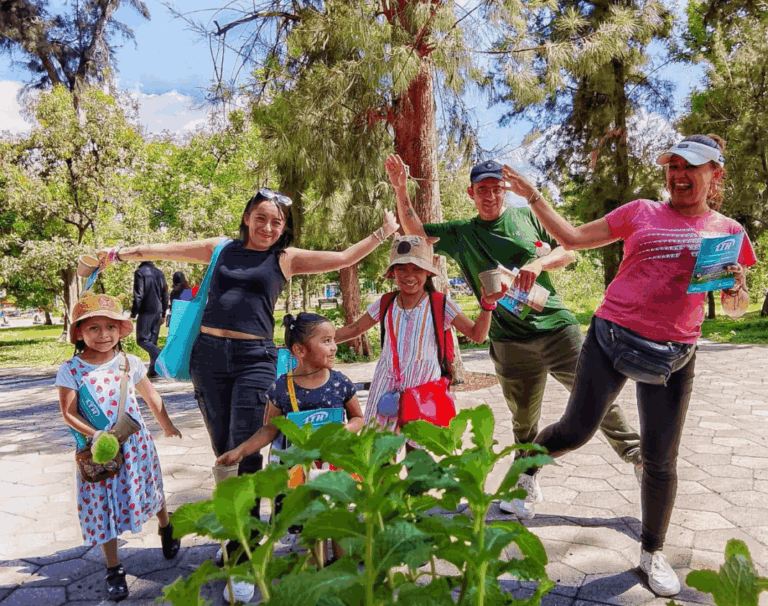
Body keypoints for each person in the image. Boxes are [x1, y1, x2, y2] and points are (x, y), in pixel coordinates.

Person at [97, 188, 398, 604]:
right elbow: (166, 250)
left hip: (254, 358)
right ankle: (241, 533)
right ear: (247, 218)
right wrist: (121, 252)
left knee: (248, 452)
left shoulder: (285, 258)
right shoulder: (220, 249)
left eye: (276, 222)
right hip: (209, 358)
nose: (269, 227)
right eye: (261, 218)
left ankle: (244, 559)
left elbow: (344, 257)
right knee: (225, 454)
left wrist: (382, 234)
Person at [503, 134, 756, 596]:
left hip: (674, 353)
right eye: (672, 165)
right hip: (611, 336)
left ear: (715, 173)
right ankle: (526, 473)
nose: (679, 174)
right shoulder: (641, 211)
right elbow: (574, 238)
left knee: (660, 460)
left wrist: (737, 290)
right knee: (576, 430)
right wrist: (533, 196)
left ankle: (651, 553)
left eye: (691, 166)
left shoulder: (728, 232)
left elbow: (735, 307)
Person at [385, 154, 642, 512]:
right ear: (471, 193)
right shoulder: (463, 234)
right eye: (482, 190)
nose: (490, 196)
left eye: (496, 189)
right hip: (508, 341)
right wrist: (400, 188)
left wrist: (537, 264)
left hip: (556, 328)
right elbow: (415, 233)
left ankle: (638, 458)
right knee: (523, 417)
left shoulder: (526, 217)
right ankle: (526, 479)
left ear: (505, 192)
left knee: (597, 397)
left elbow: (569, 252)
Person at [216, 312, 362, 591]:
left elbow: (358, 418)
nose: (334, 346)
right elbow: (269, 429)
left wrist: (344, 431)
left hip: (334, 464)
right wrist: (241, 450)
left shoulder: (340, 381)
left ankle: (346, 578)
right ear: (300, 350)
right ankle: (317, 578)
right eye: (327, 341)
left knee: (337, 520)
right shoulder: (283, 388)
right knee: (310, 524)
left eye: (334, 340)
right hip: (297, 470)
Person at [55, 292, 183, 602]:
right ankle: (114, 569)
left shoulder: (129, 362)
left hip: (135, 446)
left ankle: (166, 526)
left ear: (120, 330)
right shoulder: (71, 370)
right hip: (100, 452)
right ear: (80, 333)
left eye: (110, 327)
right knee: (102, 506)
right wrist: (96, 435)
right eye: (94, 328)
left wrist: (166, 423)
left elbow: (151, 397)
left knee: (150, 490)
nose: (103, 335)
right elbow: (69, 412)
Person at [335, 234, 507, 438]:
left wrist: (487, 306)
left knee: (418, 454)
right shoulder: (385, 303)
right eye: (401, 268)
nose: (409, 275)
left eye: (417, 268)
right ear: (393, 272)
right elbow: (353, 330)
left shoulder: (441, 304)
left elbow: (477, 335)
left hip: (424, 389)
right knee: (376, 448)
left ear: (428, 272)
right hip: (386, 386)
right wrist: (318, 340)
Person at [131, 261, 169, 378]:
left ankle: (161, 354)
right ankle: (153, 370)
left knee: (142, 340)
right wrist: (163, 313)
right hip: (158, 310)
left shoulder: (140, 272)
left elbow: (139, 294)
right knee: (152, 342)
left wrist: (134, 313)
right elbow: (165, 294)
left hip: (146, 310)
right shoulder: (159, 273)